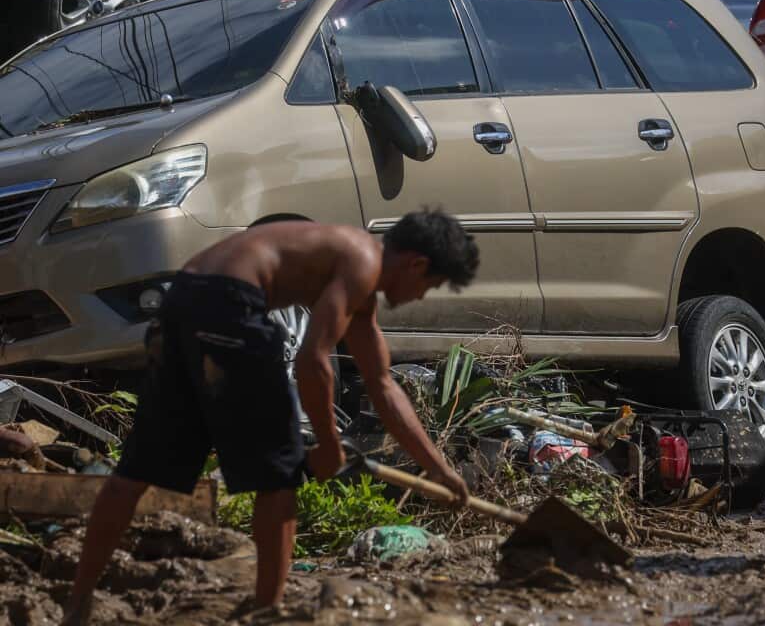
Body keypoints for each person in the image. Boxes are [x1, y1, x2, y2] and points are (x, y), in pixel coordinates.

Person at [63, 209, 479, 624]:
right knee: (280, 479)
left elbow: (383, 385)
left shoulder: (351, 268)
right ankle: (268, 612)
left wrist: (439, 470)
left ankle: (78, 602)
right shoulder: (363, 260)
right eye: (430, 285)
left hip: (183, 299)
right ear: (416, 264)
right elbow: (312, 361)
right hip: (231, 306)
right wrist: (329, 444)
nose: (421, 297)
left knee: (137, 472)